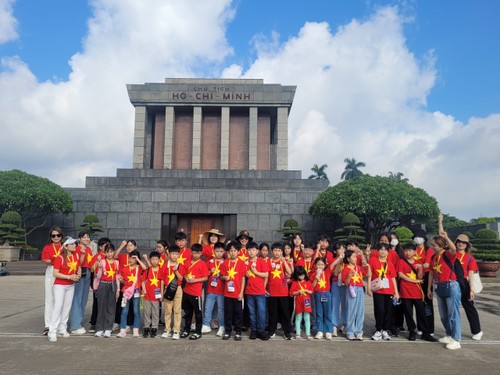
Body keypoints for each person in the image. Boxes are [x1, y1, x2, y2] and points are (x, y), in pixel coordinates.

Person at [428, 214, 461, 350]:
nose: (432, 247)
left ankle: (456, 339)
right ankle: (449, 334)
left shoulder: (447, 254)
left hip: (451, 285)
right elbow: (430, 272)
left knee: (453, 313)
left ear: (441, 246)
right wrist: (428, 288)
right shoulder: (433, 258)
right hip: (439, 287)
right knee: (443, 315)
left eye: (434, 245)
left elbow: (453, 249)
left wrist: (446, 237)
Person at [396, 243, 437, 342]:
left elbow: (420, 277)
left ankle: (425, 332)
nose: (408, 253)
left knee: (421, 312)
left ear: (415, 252)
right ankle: (411, 331)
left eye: (410, 251)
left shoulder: (419, 262)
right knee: (408, 313)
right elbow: (400, 275)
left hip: (417, 291)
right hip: (405, 291)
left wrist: (421, 268)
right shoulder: (401, 261)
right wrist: (413, 281)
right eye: (406, 251)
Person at [47, 237, 81, 342]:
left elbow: (78, 266)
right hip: (60, 285)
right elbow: (55, 273)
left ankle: (62, 328)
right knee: (58, 306)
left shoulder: (76, 255)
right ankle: (52, 331)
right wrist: (69, 277)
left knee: (67, 307)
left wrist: (78, 274)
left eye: (75, 243)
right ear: (66, 246)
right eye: (72, 244)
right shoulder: (60, 258)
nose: (74, 245)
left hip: (71, 285)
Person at [368, 243, 399, 341]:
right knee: (379, 310)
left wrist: (396, 292)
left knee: (388, 311)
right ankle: (378, 329)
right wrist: (368, 287)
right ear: (377, 251)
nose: (383, 251)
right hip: (378, 290)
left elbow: (393, 278)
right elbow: (369, 274)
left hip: (389, 290)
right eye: (381, 249)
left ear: (388, 252)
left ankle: (385, 330)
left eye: (385, 250)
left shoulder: (389, 263)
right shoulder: (373, 260)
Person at [454, 234, 483, 340]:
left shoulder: (470, 258)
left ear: (467, 245)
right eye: (459, 241)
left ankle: (477, 331)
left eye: (464, 242)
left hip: (464, 284)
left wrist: (471, 289)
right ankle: (452, 332)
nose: (461, 244)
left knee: (469, 307)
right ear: (455, 243)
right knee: (452, 308)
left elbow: (471, 274)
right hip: (452, 283)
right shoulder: (450, 254)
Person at [180, 244, 209, 340]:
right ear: (191, 252)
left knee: (198, 312)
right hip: (186, 291)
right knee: (187, 312)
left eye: (199, 253)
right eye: (195, 253)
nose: (197, 255)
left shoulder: (203, 264)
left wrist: (195, 280)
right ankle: (186, 329)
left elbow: (205, 277)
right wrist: (186, 278)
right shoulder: (186, 262)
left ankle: (198, 331)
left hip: (196, 292)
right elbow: (184, 274)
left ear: (201, 253)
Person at [220, 241, 247, 341]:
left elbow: (243, 279)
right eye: (231, 251)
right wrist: (224, 277)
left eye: (235, 251)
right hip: (227, 293)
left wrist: (241, 293)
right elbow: (221, 275)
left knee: (238, 313)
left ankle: (238, 331)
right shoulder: (225, 262)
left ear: (238, 251)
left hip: (238, 294)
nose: (233, 253)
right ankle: (227, 331)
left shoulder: (241, 263)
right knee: (228, 313)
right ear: (228, 252)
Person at [116, 250, 147, 338]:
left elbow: (145, 268)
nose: (131, 259)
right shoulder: (125, 268)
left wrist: (138, 259)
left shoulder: (139, 267)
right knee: (124, 310)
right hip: (126, 291)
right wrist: (121, 280)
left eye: (133, 258)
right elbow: (121, 279)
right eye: (130, 257)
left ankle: (136, 329)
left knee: (136, 311)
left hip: (136, 291)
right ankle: (123, 329)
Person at [93, 240, 120, 338]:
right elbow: (98, 276)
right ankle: (99, 328)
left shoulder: (117, 263)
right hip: (103, 285)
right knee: (101, 307)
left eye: (111, 252)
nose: (109, 254)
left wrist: (118, 290)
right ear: (105, 252)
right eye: (108, 252)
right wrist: (99, 267)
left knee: (111, 307)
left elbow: (117, 276)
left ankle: (108, 328)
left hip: (112, 285)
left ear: (114, 252)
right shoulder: (102, 261)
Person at [342, 248, 370, 340]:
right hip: (351, 289)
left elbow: (368, 275)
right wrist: (349, 276)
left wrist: (368, 267)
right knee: (351, 310)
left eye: (356, 257)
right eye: (353, 257)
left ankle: (359, 331)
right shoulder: (346, 269)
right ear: (348, 258)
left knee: (359, 311)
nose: (355, 258)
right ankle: (350, 331)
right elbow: (345, 283)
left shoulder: (359, 268)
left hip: (359, 289)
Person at [69, 230, 93, 335]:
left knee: (83, 300)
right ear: (79, 239)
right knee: (77, 299)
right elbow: (79, 263)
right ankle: (74, 326)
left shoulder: (89, 249)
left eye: (88, 237)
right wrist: (82, 254)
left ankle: (79, 322)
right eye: (84, 237)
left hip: (87, 274)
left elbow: (91, 263)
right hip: (80, 273)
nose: (86, 239)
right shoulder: (77, 249)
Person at [244, 241, 270, 340]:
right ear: (247, 251)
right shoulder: (245, 262)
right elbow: (241, 276)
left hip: (260, 292)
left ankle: (261, 331)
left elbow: (266, 275)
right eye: (249, 250)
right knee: (251, 312)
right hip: (249, 292)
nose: (251, 252)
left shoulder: (261, 261)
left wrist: (255, 272)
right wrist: (245, 275)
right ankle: (254, 330)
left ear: (257, 251)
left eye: (253, 250)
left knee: (261, 312)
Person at [267, 242, 293, 340]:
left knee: (285, 312)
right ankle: (271, 330)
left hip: (283, 291)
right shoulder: (268, 261)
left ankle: (287, 332)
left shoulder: (284, 261)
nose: (277, 253)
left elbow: (289, 272)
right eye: (275, 250)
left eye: (279, 250)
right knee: (272, 312)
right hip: (271, 291)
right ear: (271, 251)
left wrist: (284, 261)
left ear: (282, 252)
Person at [41, 226, 64, 335]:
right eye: (53, 235)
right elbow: (46, 261)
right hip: (51, 271)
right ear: (50, 237)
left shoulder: (65, 247)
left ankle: (59, 324)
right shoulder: (47, 247)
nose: (56, 237)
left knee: (60, 300)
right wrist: (52, 261)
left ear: (61, 236)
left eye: (58, 235)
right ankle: (48, 325)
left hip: (62, 272)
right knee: (49, 299)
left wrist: (54, 260)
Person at [160, 245, 185, 340]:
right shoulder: (165, 266)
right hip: (167, 289)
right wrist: (162, 293)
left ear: (179, 254)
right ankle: (167, 330)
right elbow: (162, 280)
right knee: (167, 310)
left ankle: (176, 330)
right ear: (169, 254)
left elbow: (181, 278)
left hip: (177, 289)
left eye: (176, 254)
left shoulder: (180, 265)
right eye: (172, 254)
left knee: (177, 310)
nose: (174, 256)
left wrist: (176, 271)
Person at [113, 239, 139, 331]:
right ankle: (117, 322)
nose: (129, 247)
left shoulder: (136, 258)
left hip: (133, 286)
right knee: (121, 303)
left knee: (132, 306)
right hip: (123, 285)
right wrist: (121, 245)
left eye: (131, 245)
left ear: (135, 247)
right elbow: (114, 256)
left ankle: (129, 323)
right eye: (128, 245)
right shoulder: (123, 256)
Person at [201, 242, 226, 336]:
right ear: (214, 251)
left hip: (221, 290)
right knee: (208, 308)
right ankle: (206, 324)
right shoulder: (209, 262)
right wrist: (209, 271)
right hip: (211, 289)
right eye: (217, 251)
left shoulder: (226, 262)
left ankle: (221, 326)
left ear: (224, 252)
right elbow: (204, 274)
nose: (219, 253)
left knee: (221, 309)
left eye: (221, 251)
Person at [312, 257, 334, 340]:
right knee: (319, 313)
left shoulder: (327, 272)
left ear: (325, 266)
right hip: (318, 294)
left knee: (328, 313)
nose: (320, 266)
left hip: (327, 294)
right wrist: (315, 279)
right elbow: (312, 287)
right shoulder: (313, 274)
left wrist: (340, 257)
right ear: (315, 265)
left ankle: (328, 331)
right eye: (318, 264)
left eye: (322, 264)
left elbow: (333, 264)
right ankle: (319, 330)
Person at [289, 266, 313, 340]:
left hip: (307, 302)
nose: (301, 277)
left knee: (307, 317)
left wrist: (307, 291)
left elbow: (311, 291)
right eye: (299, 275)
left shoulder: (308, 282)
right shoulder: (295, 283)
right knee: (298, 317)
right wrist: (298, 292)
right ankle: (298, 333)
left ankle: (308, 334)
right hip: (298, 302)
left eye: (303, 275)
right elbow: (291, 293)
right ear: (296, 275)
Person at [142, 251, 162, 338]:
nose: (154, 261)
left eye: (156, 259)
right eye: (152, 259)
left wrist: (162, 294)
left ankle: (154, 327)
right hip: (147, 295)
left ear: (159, 260)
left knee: (155, 312)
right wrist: (144, 289)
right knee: (147, 312)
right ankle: (146, 327)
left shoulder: (161, 269)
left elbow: (162, 282)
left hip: (156, 295)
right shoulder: (148, 269)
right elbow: (142, 281)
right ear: (150, 260)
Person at [330, 242, 347, 337]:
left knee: (345, 305)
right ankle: (334, 325)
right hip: (336, 283)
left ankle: (345, 324)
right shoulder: (333, 260)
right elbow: (335, 274)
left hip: (345, 284)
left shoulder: (347, 260)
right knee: (335, 304)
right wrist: (339, 260)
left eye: (343, 248)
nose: (342, 250)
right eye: (340, 249)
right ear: (335, 251)